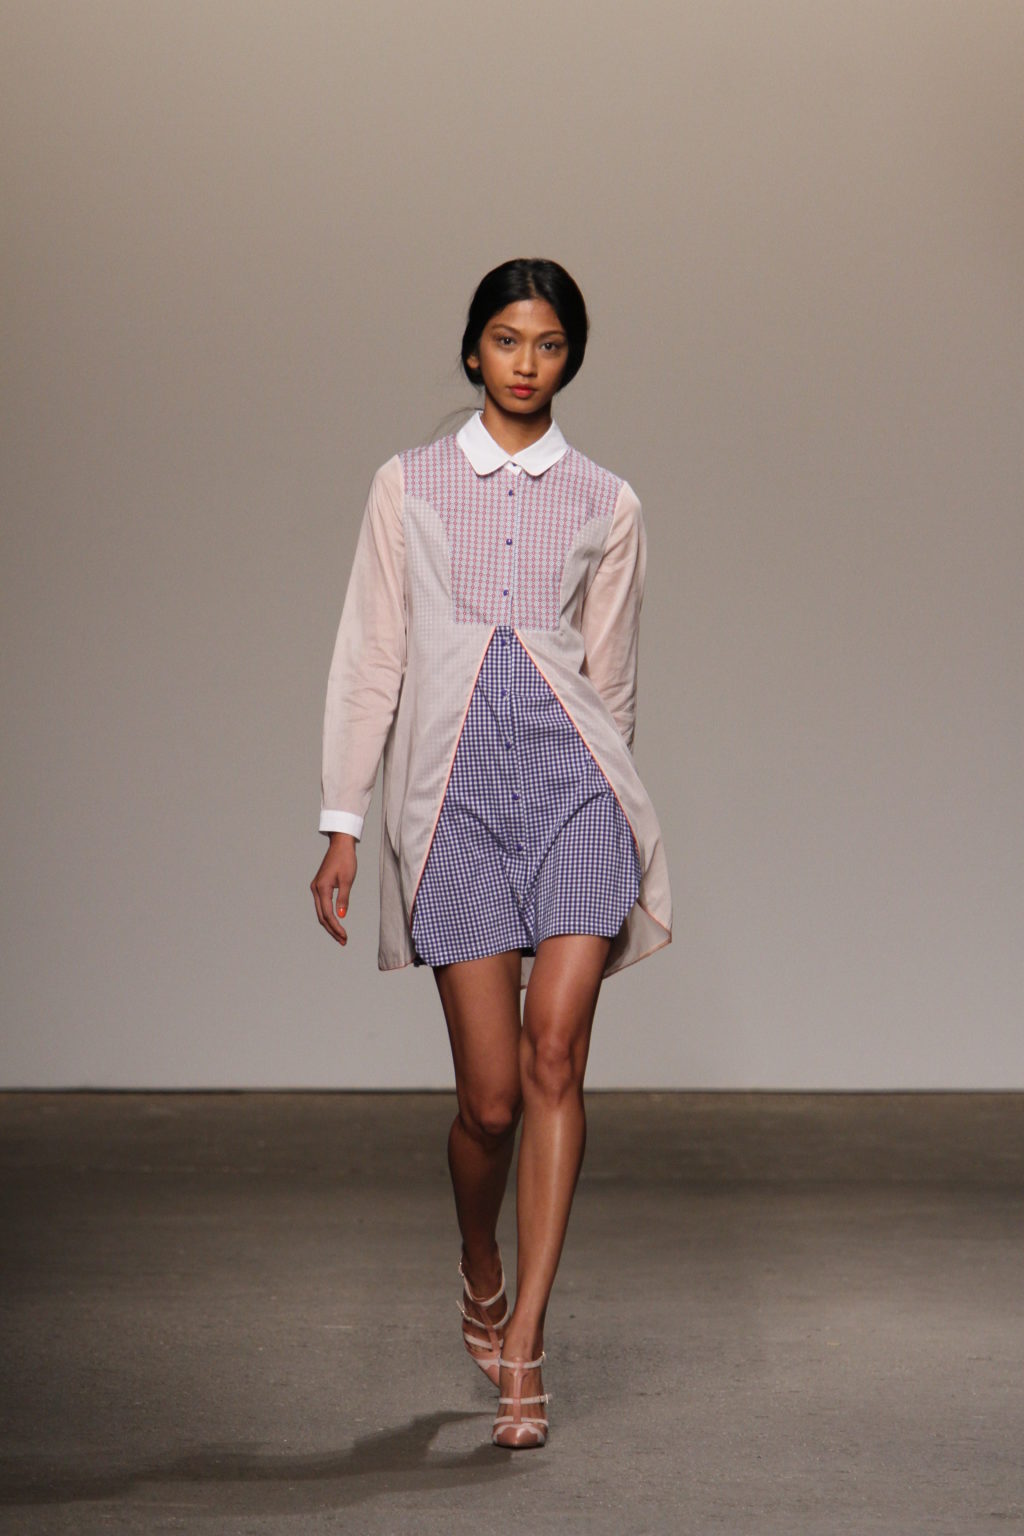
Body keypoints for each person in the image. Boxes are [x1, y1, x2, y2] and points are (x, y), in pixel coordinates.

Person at [311, 257, 672, 1449]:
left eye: (549, 343)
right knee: (491, 1099)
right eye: (508, 339)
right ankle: (479, 1258)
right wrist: (342, 821)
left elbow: (610, 677)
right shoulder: (407, 484)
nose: (526, 362)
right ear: (473, 349)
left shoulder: (607, 501)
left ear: (571, 358)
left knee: (555, 1055)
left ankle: (525, 1345)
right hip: (453, 797)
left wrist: (615, 796)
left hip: (575, 790)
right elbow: (373, 652)